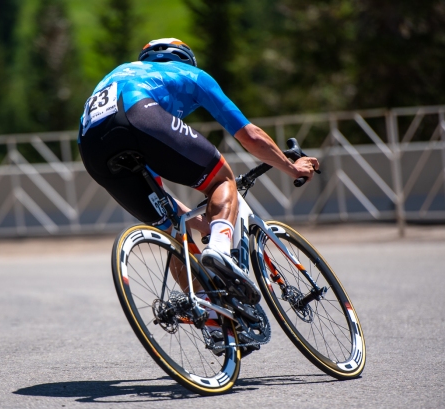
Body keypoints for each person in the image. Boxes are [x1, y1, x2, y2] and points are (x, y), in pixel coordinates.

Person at [78, 38, 319, 302]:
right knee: (221, 179)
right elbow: (250, 136)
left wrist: (204, 223)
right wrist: (293, 168)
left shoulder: (119, 74)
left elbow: (162, 197)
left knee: (170, 227)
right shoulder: (191, 74)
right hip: (141, 115)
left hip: (90, 144)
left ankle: (211, 317)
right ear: (186, 59)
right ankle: (219, 249)